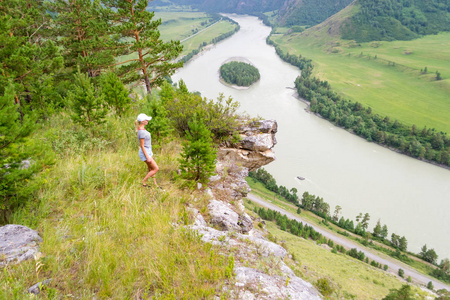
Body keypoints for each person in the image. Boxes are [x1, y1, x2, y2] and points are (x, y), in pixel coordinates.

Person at [136, 113, 159, 188]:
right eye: (146, 120)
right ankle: (143, 181)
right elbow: (142, 146)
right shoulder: (142, 132)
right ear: (142, 121)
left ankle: (155, 185)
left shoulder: (142, 129)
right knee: (156, 168)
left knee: (151, 169)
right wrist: (147, 157)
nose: (147, 121)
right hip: (145, 152)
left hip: (148, 151)